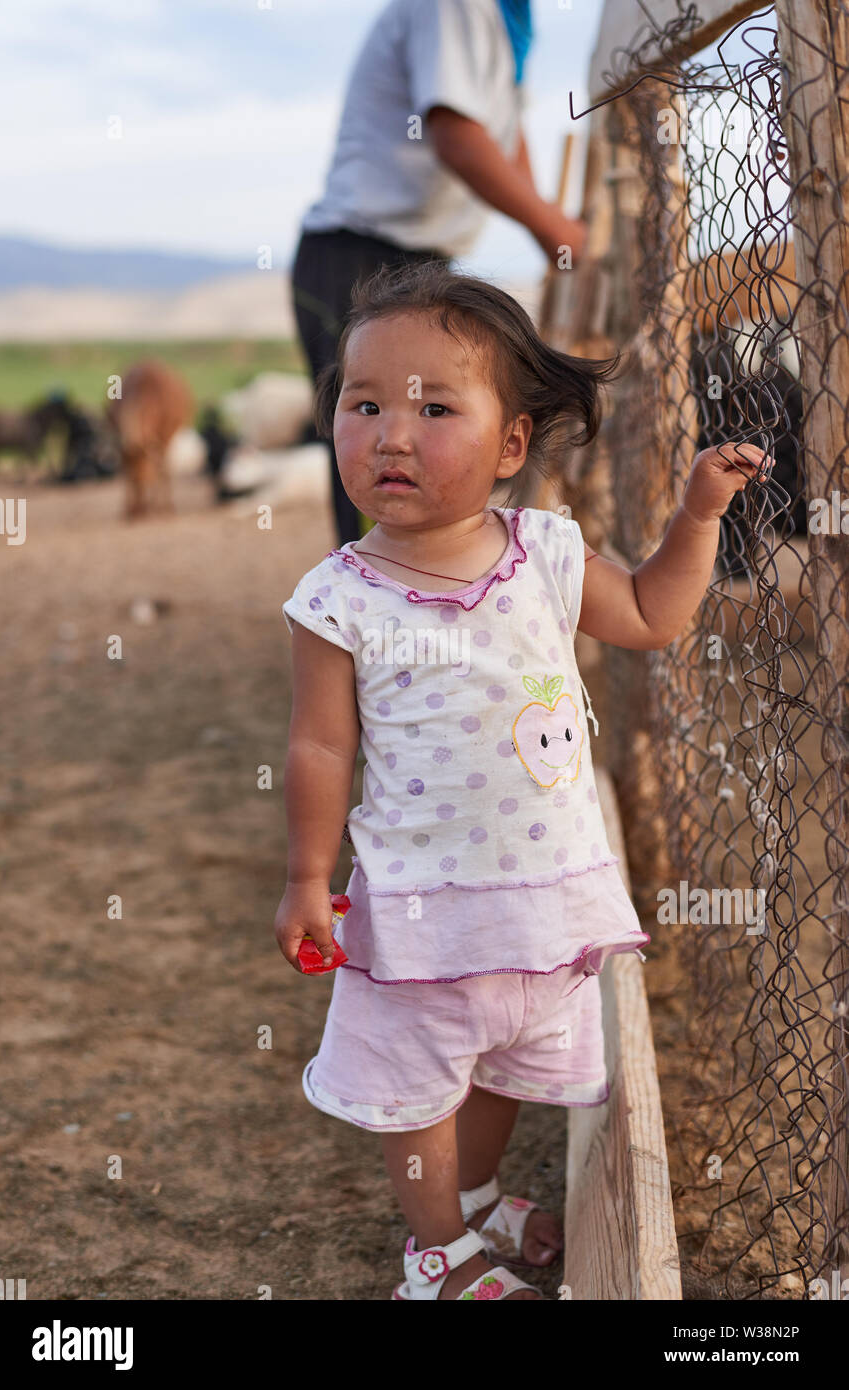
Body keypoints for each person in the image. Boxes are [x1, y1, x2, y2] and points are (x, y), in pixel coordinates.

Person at [274, 259, 772, 1300]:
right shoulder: (339, 597)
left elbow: (647, 615)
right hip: (415, 908)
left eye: (433, 406)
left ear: (510, 444)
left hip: (541, 894)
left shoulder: (542, 552)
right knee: (418, 1083)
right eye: (363, 404)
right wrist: (306, 874)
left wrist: (696, 516)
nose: (390, 434)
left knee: (498, 1059)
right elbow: (321, 748)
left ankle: (480, 1192)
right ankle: (436, 1256)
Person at [290, 0, 586, 546]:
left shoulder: (510, 23)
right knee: (376, 447)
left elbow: (503, 135)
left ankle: (435, 596)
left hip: (421, 258)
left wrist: (547, 222)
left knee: (427, 440)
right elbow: (457, 133)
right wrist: (554, 229)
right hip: (360, 253)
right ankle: (362, 610)